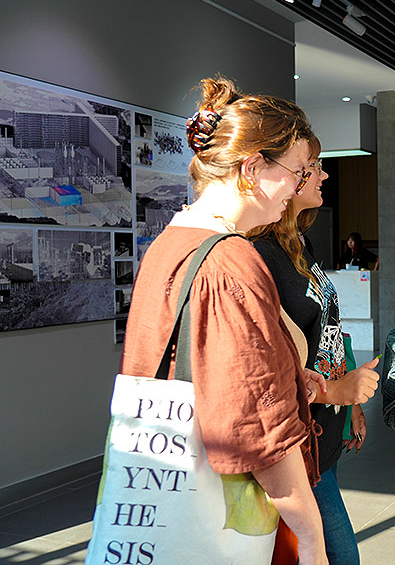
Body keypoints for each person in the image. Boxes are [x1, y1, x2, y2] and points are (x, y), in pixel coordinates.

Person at [120, 77, 329, 565]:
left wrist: (289, 374)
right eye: (297, 171)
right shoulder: (231, 260)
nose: (298, 186)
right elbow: (259, 428)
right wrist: (312, 539)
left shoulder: (171, 242)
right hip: (222, 513)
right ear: (252, 168)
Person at [249, 138, 380, 565]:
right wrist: (336, 392)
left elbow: (329, 331)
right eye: (312, 165)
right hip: (297, 440)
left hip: (323, 432)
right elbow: (267, 370)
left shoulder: (299, 244)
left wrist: (349, 404)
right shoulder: (258, 254)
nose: (322, 175)